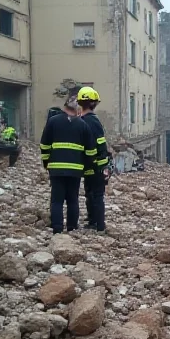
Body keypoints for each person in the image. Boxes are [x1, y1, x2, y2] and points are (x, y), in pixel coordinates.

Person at [39, 98, 98, 234]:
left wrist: (46, 163)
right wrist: (88, 166)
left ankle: (57, 228)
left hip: (56, 169)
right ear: (77, 109)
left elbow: (44, 145)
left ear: (64, 106)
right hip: (75, 170)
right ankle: (72, 227)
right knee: (72, 199)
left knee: (57, 200)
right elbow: (91, 150)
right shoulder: (82, 125)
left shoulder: (53, 121)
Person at [77, 87, 110, 232]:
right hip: (96, 165)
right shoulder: (94, 121)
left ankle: (92, 222)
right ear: (94, 103)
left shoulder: (79, 122)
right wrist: (105, 167)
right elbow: (101, 144)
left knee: (89, 194)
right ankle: (99, 225)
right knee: (97, 195)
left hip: (85, 165)